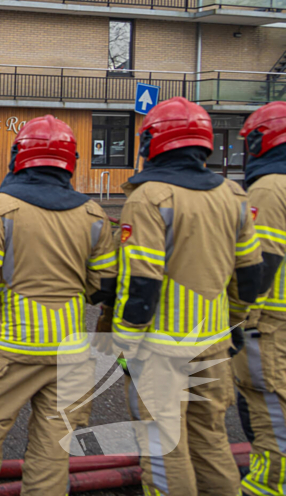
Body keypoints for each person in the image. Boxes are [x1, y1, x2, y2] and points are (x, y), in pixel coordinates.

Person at [0, 115, 117, 495]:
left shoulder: (0, 207)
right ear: (70, 160)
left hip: (12, 350)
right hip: (71, 355)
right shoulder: (93, 215)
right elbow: (103, 288)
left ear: (17, 156)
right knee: (53, 450)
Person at [111, 97, 262, 496]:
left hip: (160, 351)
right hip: (213, 344)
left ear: (152, 144)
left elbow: (141, 282)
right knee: (211, 439)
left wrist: (123, 344)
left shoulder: (150, 198)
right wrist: (232, 327)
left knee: (164, 446)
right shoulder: (233, 195)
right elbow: (249, 276)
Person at [234, 102, 286, 496]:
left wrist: (240, 316)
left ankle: (269, 485)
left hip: (268, 320)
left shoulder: (270, 187)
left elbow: (261, 262)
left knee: (268, 407)